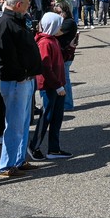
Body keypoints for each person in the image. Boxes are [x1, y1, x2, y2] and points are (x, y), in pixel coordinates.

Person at [0, 0, 44, 175]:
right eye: (28, 3)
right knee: (13, 125)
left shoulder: (17, 21)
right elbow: (2, 57)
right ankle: (6, 164)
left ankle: (19, 160)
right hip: (16, 81)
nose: (30, 7)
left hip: (25, 79)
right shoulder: (5, 24)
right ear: (19, 5)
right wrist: (21, 74)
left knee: (22, 123)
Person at [29, 12, 70, 162]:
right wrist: (58, 85)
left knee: (57, 117)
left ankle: (54, 148)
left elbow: (61, 58)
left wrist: (70, 48)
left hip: (57, 84)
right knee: (46, 116)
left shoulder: (52, 40)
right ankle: (34, 146)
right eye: (59, 24)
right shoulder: (45, 42)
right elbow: (45, 67)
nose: (61, 27)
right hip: (50, 85)